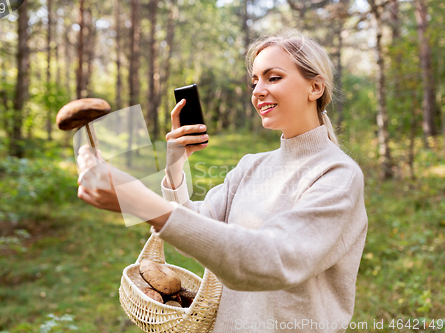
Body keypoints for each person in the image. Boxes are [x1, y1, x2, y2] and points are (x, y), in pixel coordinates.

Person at [77, 28, 368, 333]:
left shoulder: (338, 175)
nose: (257, 91)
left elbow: (274, 259)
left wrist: (143, 203)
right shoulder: (252, 166)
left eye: (273, 77)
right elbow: (196, 234)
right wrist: (175, 166)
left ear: (315, 87)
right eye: (254, 81)